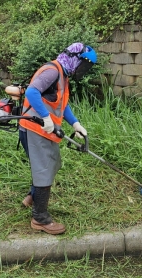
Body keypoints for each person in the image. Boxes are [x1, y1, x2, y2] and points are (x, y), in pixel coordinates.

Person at [18, 42, 97, 235]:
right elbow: (31, 91)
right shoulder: (52, 71)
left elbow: (61, 104)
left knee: (51, 163)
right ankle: (40, 218)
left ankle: (31, 197)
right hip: (35, 128)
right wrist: (45, 117)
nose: (83, 70)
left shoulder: (62, 74)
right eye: (84, 65)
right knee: (45, 167)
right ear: (75, 58)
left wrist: (76, 124)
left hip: (44, 130)